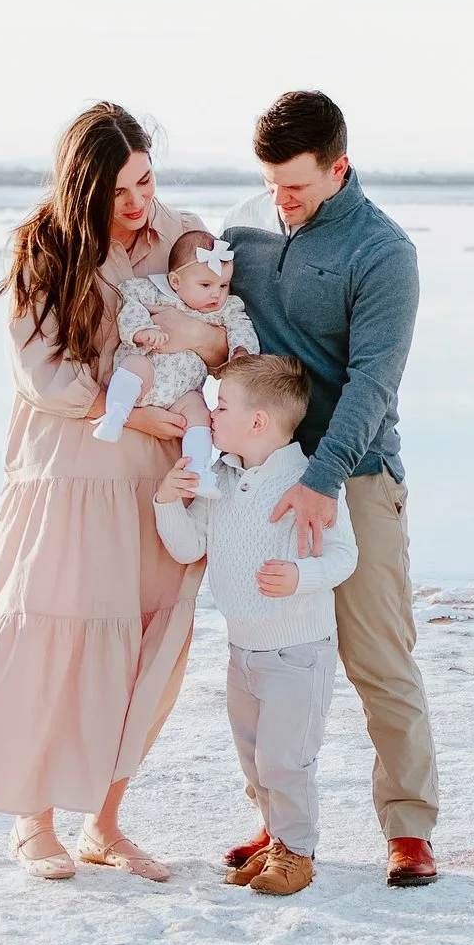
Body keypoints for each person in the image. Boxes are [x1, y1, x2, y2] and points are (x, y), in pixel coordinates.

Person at [0, 102, 232, 880]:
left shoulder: (174, 230)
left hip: (157, 478)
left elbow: (217, 298)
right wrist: (138, 412)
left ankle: (105, 820)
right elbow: (45, 377)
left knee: (148, 641)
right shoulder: (45, 247)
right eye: (119, 193)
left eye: (145, 180)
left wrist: (199, 333)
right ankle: (32, 819)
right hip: (71, 469)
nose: (137, 204)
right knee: (53, 633)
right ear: (82, 190)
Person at [222, 89, 440, 888]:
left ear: (339, 168)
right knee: (268, 660)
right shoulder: (244, 224)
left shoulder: (384, 252)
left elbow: (372, 382)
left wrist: (322, 480)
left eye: (298, 187)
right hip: (262, 481)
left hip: (357, 478)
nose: (281, 201)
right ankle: (278, 826)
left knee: (379, 657)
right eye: (273, 183)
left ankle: (409, 827)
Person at [150, 352, 358, 898]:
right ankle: (274, 841)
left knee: (285, 759)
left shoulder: (309, 481)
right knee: (254, 759)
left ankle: (297, 852)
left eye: (221, 407)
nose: (210, 416)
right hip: (242, 652)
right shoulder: (221, 477)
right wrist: (168, 499)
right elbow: (189, 544)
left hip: (298, 651)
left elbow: (343, 558)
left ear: (258, 421)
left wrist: (300, 575)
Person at [115, 228, 259, 492]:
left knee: (200, 415)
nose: (216, 294)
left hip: (184, 393)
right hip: (150, 373)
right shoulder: (157, 293)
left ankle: (198, 472)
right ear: (176, 281)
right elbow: (128, 300)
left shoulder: (226, 309)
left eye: (223, 285)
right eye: (206, 285)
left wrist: (241, 350)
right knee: (134, 367)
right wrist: (139, 331)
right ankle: (115, 414)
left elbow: (241, 326)